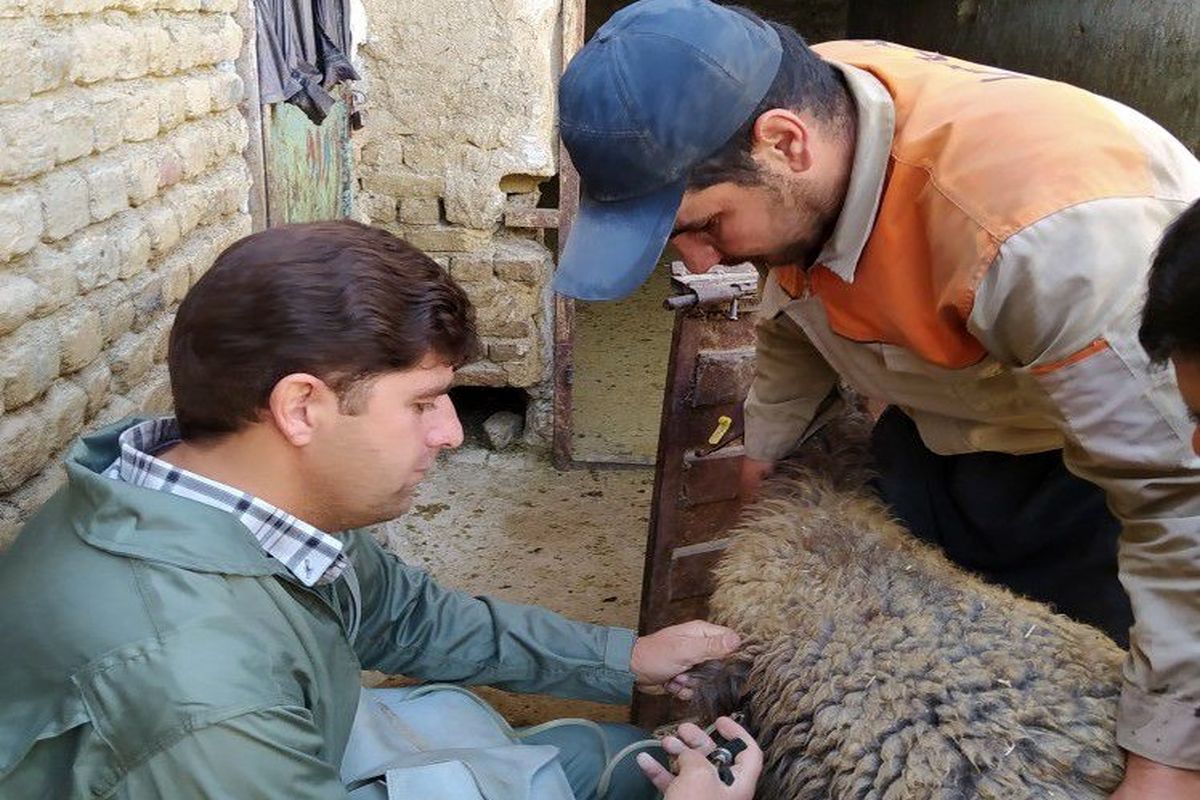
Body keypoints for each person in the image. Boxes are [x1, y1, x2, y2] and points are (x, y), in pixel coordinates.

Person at [552, 0, 1200, 794]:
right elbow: (794, 302)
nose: (696, 257)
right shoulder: (816, 122)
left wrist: (1167, 761)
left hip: (1086, 481)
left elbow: (1181, 502)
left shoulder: (1052, 241)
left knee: (1063, 723)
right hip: (944, 427)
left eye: (705, 224)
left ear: (784, 144)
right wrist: (760, 462)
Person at [0, 220, 761, 799]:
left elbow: (404, 615)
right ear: (302, 407)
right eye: (424, 403)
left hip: (313, 741)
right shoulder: (199, 697)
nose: (451, 433)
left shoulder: (230, 501)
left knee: (629, 757)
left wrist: (622, 659)